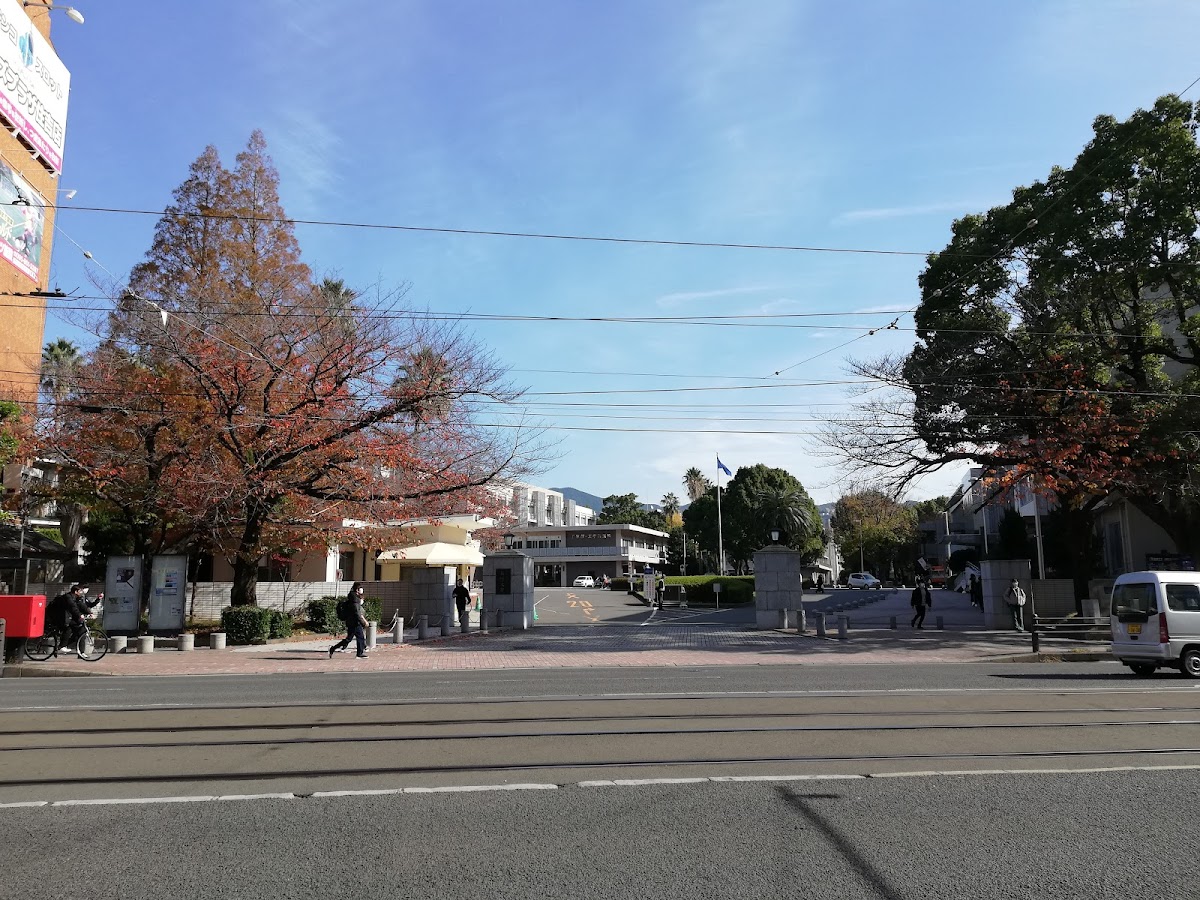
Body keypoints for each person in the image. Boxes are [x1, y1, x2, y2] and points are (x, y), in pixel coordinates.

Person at [48, 584, 99, 656]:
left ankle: (78, 651)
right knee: (68, 629)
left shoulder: (76, 598)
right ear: (75, 591)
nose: (81, 592)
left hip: (67, 617)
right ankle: (63, 646)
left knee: (80, 632)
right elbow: (73, 607)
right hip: (59, 617)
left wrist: (89, 612)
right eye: (80, 591)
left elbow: (81, 605)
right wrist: (79, 615)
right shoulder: (68, 597)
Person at [329, 582, 368, 659]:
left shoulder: (354, 597)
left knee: (349, 639)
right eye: (361, 588)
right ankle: (359, 654)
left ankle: (333, 648)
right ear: (357, 589)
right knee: (360, 637)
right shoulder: (354, 599)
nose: (362, 589)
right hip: (354, 622)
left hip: (352, 621)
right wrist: (363, 622)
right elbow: (357, 612)